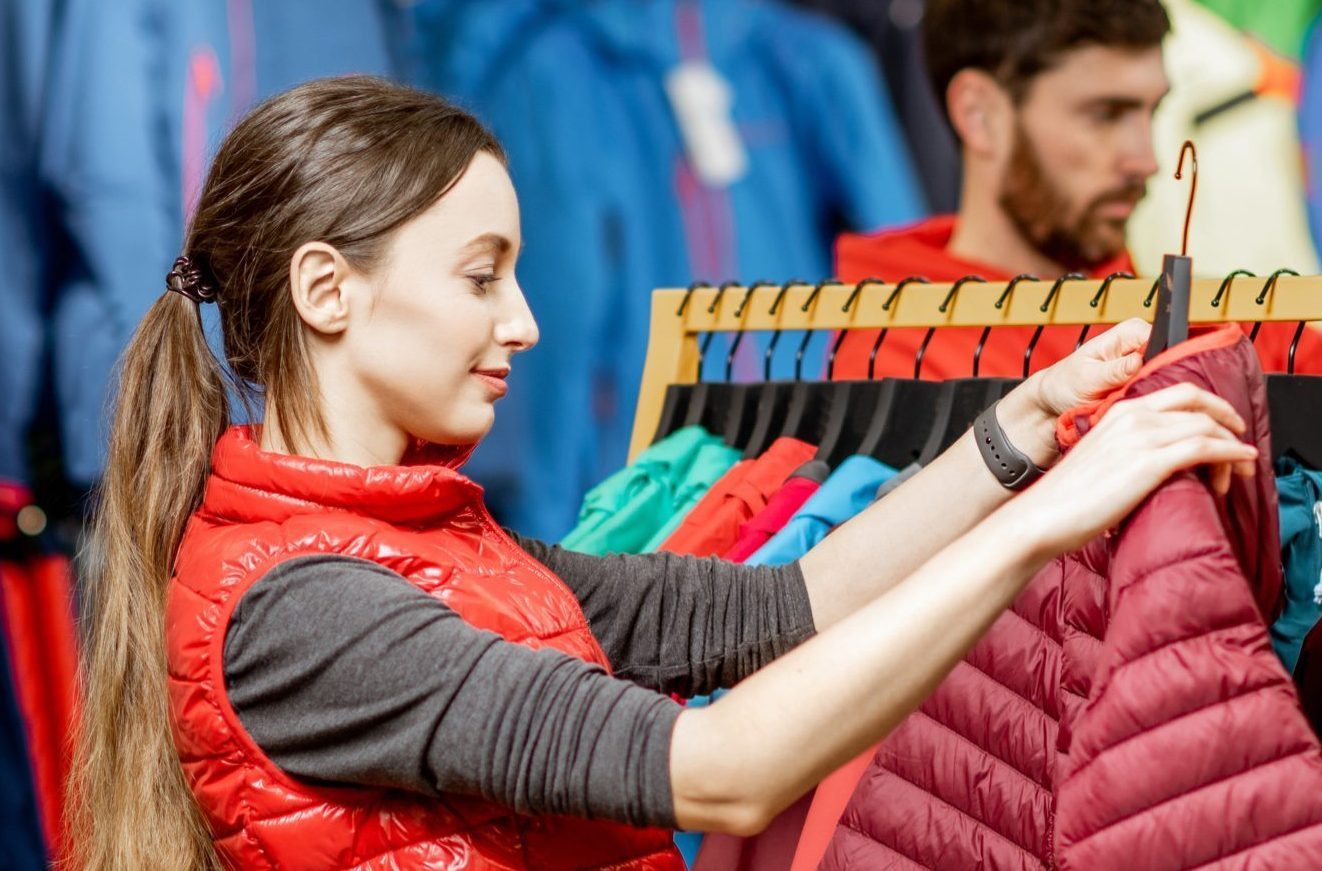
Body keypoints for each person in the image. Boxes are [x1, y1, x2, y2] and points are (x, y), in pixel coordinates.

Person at [67, 76, 1258, 871]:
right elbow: (724, 771)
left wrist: (1018, 431)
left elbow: (774, 609)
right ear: (328, 290)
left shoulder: (433, 544)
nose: (524, 321)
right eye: (480, 276)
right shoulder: (300, 609)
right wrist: (1040, 528)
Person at [832, 0, 1322, 381]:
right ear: (979, 116)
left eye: (1151, 112)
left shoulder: (1227, 334)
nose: (1146, 159)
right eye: (1105, 114)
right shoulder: (891, 368)